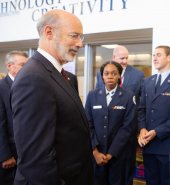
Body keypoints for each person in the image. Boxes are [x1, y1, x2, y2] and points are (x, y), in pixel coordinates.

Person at [11, 10, 94, 185]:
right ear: (49, 32)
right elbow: (35, 158)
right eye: (74, 36)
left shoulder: (58, 74)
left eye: (82, 38)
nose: (80, 43)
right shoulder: (33, 77)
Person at [96, 45, 144, 185]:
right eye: (122, 58)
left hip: (126, 135)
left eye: (126, 58)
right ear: (114, 57)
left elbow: (140, 105)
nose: (125, 61)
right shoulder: (102, 74)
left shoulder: (138, 75)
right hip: (104, 137)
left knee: (123, 177)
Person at [85, 61, 136, 185]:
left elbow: (128, 127)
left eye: (114, 73)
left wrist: (111, 153)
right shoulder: (93, 95)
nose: (110, 77)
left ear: (119, 76)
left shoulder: (128, 96)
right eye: (106, 73)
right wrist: (95, 152)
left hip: (119, 155)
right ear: (102, 76)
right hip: (97, 155)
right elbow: (87, 124)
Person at [138, 45, 170, 185]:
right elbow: (141, 109)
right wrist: (142, 129)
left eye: (159, 55)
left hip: (166, 145)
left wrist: (157, 131)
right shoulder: (147, 82)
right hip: (148, 145)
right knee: (151, 181)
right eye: (154, 55)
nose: (154, 58)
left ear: (169, 58)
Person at [0, 50, 28, 185]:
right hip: (10, 154)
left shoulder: (28, 86)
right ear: (9, 66)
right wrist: (5, 155)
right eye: (22, 65)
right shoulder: (1, 88)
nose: (26, 69)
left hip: (28, 151)